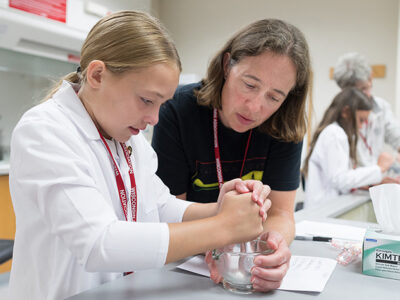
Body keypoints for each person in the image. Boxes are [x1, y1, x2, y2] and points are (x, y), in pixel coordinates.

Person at [8, 11, 272, 300]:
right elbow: (99, 243)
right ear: (97, 75)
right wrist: (222, 228)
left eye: (161, 104)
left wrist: (220, 208)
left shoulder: (129, 138)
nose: (155, 118)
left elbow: (157, 207)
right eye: (147, 100)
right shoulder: (45, 131)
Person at [152, 18, 311, 291]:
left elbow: (282, 214)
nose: (255, 107)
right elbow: (169, 214)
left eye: (274, 97)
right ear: (227, 66)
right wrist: (218, 241)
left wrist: (273, 248)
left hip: (245, 263)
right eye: (249, 84)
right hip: (184, 267)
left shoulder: (284, 125)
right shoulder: (178, 111)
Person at [302, 88, 394, 209]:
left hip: (327, 207)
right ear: (346, 112)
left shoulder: (336, 133)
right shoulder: (334, 133)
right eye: (361, 120)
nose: (361, 127)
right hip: (323, 209)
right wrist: (379, 168)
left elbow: (339, 176)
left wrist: (368, 183)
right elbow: (339, 179)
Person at [333, 52, 400, 180]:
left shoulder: (381, 108)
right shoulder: (337, 119)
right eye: (355, 92)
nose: (362, 97)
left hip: (372, 181)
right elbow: (341, 176)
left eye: (365, 89)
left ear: (371, 78)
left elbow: (396, 135)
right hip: (353, 186)